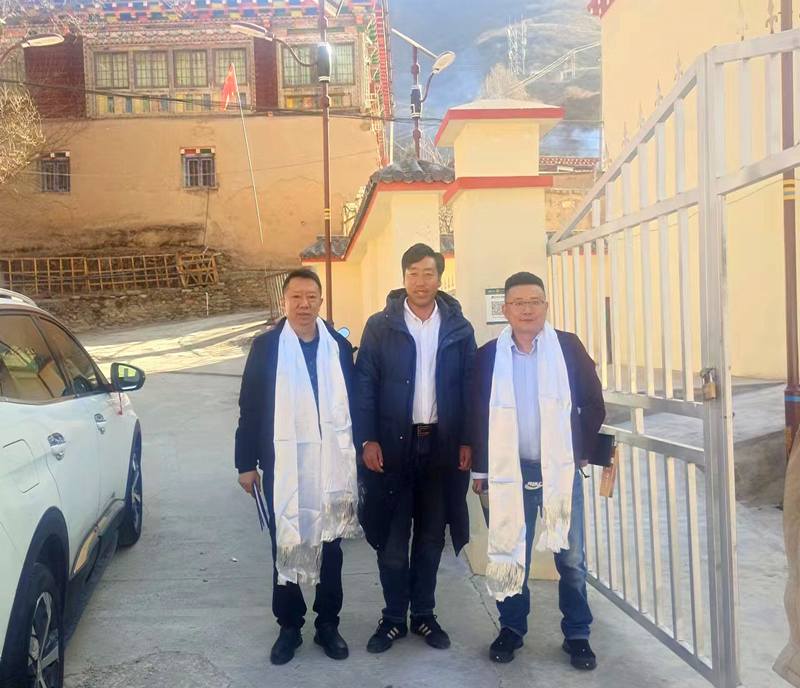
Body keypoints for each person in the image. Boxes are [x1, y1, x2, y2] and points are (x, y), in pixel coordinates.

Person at [471, 271, 605, 669]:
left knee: (571, 559)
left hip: (559, 471)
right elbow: (477, 414)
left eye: (535, 302)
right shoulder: (489, 356)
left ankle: (577, 634)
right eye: (519, 303)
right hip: (509, 472)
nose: (527, 310)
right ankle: (512, 629)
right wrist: (480, 470)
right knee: (513, 553)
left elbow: (594, 402)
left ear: (545, 306)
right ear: (505, 309)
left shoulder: (567, 347)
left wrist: (580, 449)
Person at [235, 268, 360, 665]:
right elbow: (249, 407)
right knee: (286, 541)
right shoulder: (267, 347)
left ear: (321, 301)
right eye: (296, 297)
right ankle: (289, 625)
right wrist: (245, 463)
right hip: (283, 463)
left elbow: (353, 405)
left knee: (331, 546)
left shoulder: (338, 347)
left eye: (311, 297)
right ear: (284, 301)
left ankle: (327, 624)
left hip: (331, 466)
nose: (304, 305)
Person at [355, 243, 476, 653]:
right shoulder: (380, 326)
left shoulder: (459, 328)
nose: (421, 282)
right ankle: (393, 618)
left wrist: (467, 439)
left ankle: (423, 614)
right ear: (403, 277)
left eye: (428, 273)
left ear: (440, 277)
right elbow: (365, 384)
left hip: (440, 447)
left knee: (430, 537)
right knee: (392, 539)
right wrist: (367, 439)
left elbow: (470, 387)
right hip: (393, 447)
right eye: (413, 273)